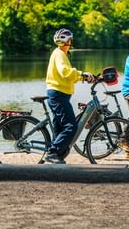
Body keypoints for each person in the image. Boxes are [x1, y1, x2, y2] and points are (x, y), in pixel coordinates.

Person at [44, 28, 94, 164]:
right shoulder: (59, 54)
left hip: (60, 94)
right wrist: (82, 74)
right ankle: (52, 152)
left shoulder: (61, 54)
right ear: (68, 42)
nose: (71, 43)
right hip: (58, 95)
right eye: (70, 40)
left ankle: (57, 154)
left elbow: (67, 74)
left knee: (59, 128)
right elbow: (65, 72)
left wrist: (83, 77)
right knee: (71, 126)